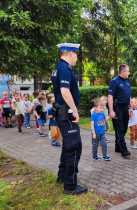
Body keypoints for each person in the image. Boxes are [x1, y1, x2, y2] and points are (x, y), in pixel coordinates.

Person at [51, 43, 88, 195]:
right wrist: (75, 111)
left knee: (68, 145)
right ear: (71, 53)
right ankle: (70, 186)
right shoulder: (65, 68)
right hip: (66, 112)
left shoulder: (58, 67)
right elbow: (65, 92)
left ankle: (62, 177)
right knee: (74, 146)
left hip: (61, 110)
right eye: (77, 55)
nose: (77, 58)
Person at [108, 64, 132, 157]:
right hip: (117, 107)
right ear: (122, 72)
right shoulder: (114, 81)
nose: (129, 73)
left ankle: (117, 146)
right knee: (119, 128)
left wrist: (131, 107)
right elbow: (110, 96)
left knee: (125, 127)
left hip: (125, 107)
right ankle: (123, 149)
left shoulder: (126, 82)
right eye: (128, 71)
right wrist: (111, 111)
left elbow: (128, 94)